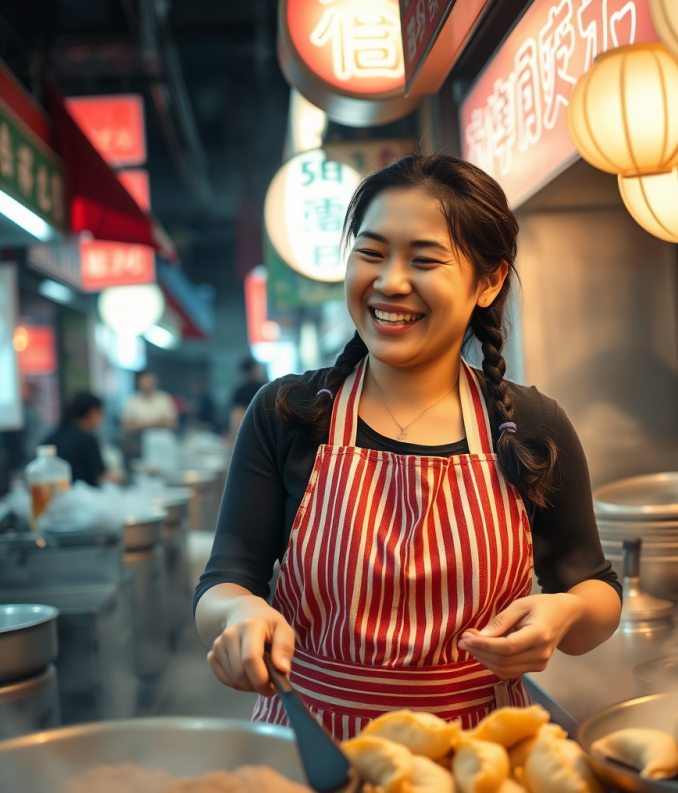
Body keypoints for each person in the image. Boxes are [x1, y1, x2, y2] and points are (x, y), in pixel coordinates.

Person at [195, 154, 622, 739]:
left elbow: (596, 591)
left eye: (424, 261)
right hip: (314, 749)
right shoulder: (288, 413)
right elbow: (224, 580)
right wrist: (240, 613)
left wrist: (567, 612)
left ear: (489, 280)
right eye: (370, 253)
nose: (390, 281)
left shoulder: (530, 424)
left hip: (483, 753)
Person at [45, 392, 112, 487]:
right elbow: (101, 477)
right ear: (92, 413)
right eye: (100, 413)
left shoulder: (53, 436)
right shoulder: (87, 439)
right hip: (84, 497)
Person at [121, 369, 178, 434]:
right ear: (138, 382)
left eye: (150, 380)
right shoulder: (132, 401)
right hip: (138, 438)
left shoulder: (164, 398)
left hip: (161, 436)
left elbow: (173, 424)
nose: (148, 383)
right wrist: (150, 423)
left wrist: (142, 424)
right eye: (145, 380)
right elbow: (125, 427)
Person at [228, 358, 266, 438]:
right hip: (261, 427)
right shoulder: (264, 388)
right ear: (253, 369)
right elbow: (237, 413)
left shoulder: (239, 390)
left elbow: (235, 415)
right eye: (257, 368)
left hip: (244, 431)